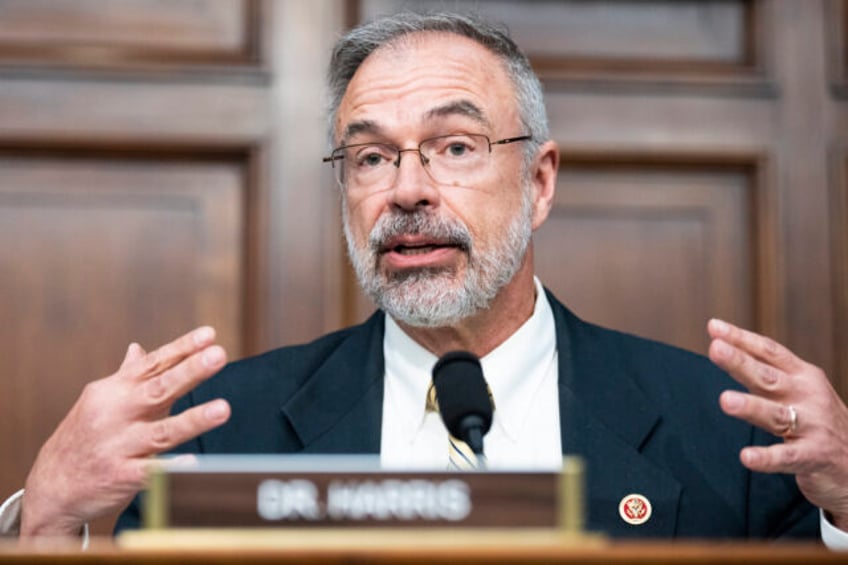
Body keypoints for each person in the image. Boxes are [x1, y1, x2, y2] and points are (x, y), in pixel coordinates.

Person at [4, 11, 848, 543]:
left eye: (454, 147)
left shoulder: (726, 437)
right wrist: (45, 516)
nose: (406, 189)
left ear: (540, 180)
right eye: (371, 156)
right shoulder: (220, 433)